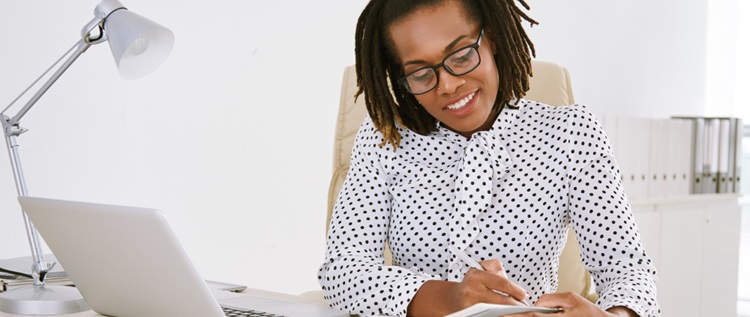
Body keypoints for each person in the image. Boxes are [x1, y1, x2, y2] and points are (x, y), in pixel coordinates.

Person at [318, 0, 660, 316]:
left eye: (462, 55)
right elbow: (342, 270)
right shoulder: (385, 137)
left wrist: (615, 316)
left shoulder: (570, 133)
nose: (448, 85)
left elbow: (628, 272)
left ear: (491, 39)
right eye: (421, 74)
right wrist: (450, 299)